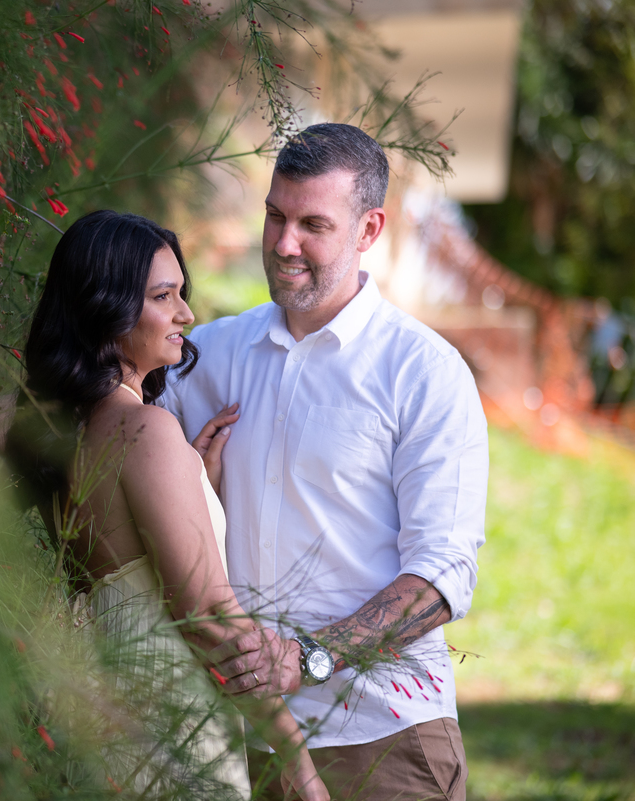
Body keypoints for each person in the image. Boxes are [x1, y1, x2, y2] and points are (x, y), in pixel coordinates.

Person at [159, 123, 488, 800]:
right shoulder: (209, 355)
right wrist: (192, 480)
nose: (284, 244)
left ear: (369, 230)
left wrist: (307, 656)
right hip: (237, 745)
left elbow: (441, 573)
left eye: (314, 224)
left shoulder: (424, 373)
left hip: (386, 738)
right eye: (276, 216)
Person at [7, 210, 328, 800]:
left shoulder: (65, 437)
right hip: (173, 738)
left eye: (182, 293)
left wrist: (194, 485)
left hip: (102, 737)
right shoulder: (146, 432)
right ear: (106, 311)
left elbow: (120, 567)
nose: (188, 314)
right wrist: (297, 764)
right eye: (164, 296)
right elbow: (210, 618)